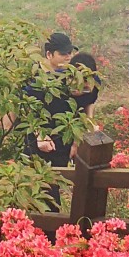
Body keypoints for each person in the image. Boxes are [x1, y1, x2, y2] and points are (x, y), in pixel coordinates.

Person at [20, 31, 83, 168]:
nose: (68, 57)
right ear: (49, 54)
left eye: (70, 53)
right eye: (63, 54)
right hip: (38, 144)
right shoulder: (34, 78)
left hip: (62, 142)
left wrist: (76, 142)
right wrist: (39, 134)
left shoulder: (72, 77)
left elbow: (84, 105)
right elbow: (26, 110)